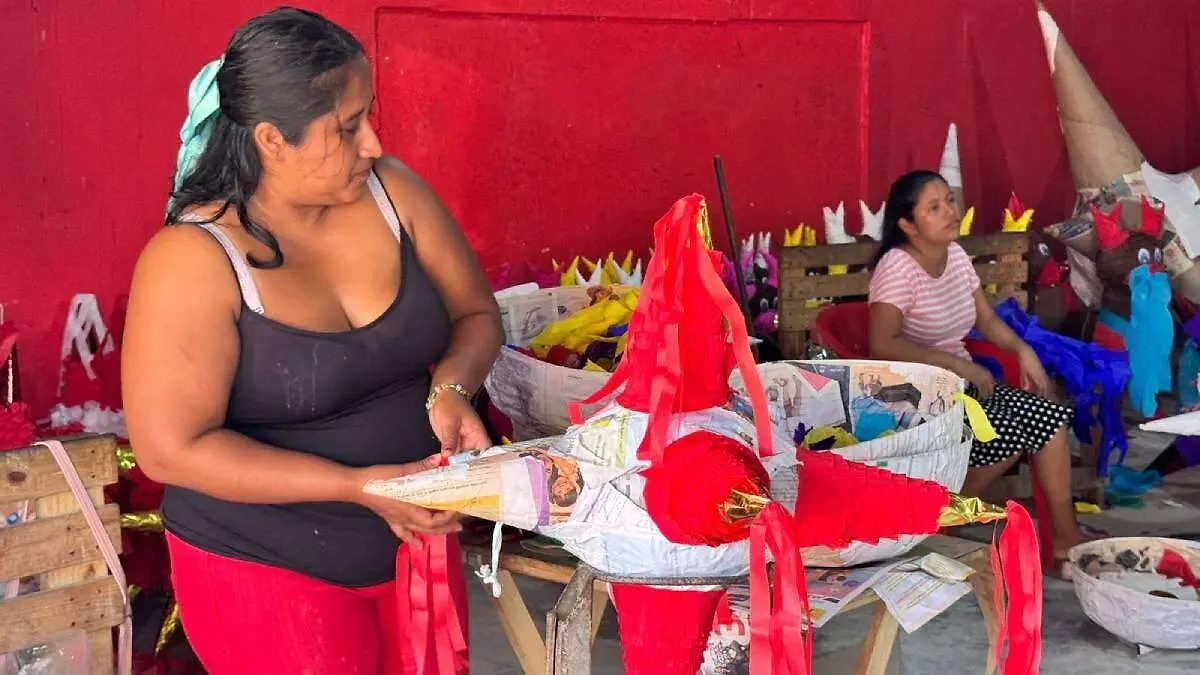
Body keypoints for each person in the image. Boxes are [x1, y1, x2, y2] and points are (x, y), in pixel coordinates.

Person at [122, 7, 502, 673]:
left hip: (414, 548)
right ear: (272, 140)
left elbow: (475, 315)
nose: (374, 144)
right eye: (348, 127)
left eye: (368, 117)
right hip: (264, 565)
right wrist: (357, 485)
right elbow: (169, 450)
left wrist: (451, 390)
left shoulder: (394, 194)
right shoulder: (193, 261)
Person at [866, 170, 1086, 567]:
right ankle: (935, 519)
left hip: (962, 385)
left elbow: (985, 320)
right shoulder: (897, 268)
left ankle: (1065, 535)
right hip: (915, 394)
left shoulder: (956, 258)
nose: (951, 211)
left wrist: (1023, 351)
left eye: (949, 200)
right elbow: (882, 343)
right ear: (908, 225)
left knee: (1050, 417)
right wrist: (956, 365)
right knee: (1008, 431)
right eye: (934, 207)